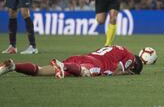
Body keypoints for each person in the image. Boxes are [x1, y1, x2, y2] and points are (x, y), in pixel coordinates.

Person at [0, 45, 143, 78]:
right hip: (95, 64)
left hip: (81, 57)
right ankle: (63, 66)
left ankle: (13, 66)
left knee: (40, 71)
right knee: (85, 73)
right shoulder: (129, 56)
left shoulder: (116, 48)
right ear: (133, 65)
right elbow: (118, 69)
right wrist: (125, 73)